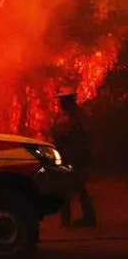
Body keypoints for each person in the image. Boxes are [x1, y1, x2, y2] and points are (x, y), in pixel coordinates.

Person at [51, 88, 97, 227]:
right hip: (69, 158)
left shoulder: (77, 118)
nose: (60, 104)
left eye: (62, 101)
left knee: (70, 189)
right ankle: (82, 219)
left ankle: (74, 220)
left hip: (76, 159)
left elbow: (80, 141)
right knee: (76, 189)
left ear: (69, 102)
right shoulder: (67, 116)